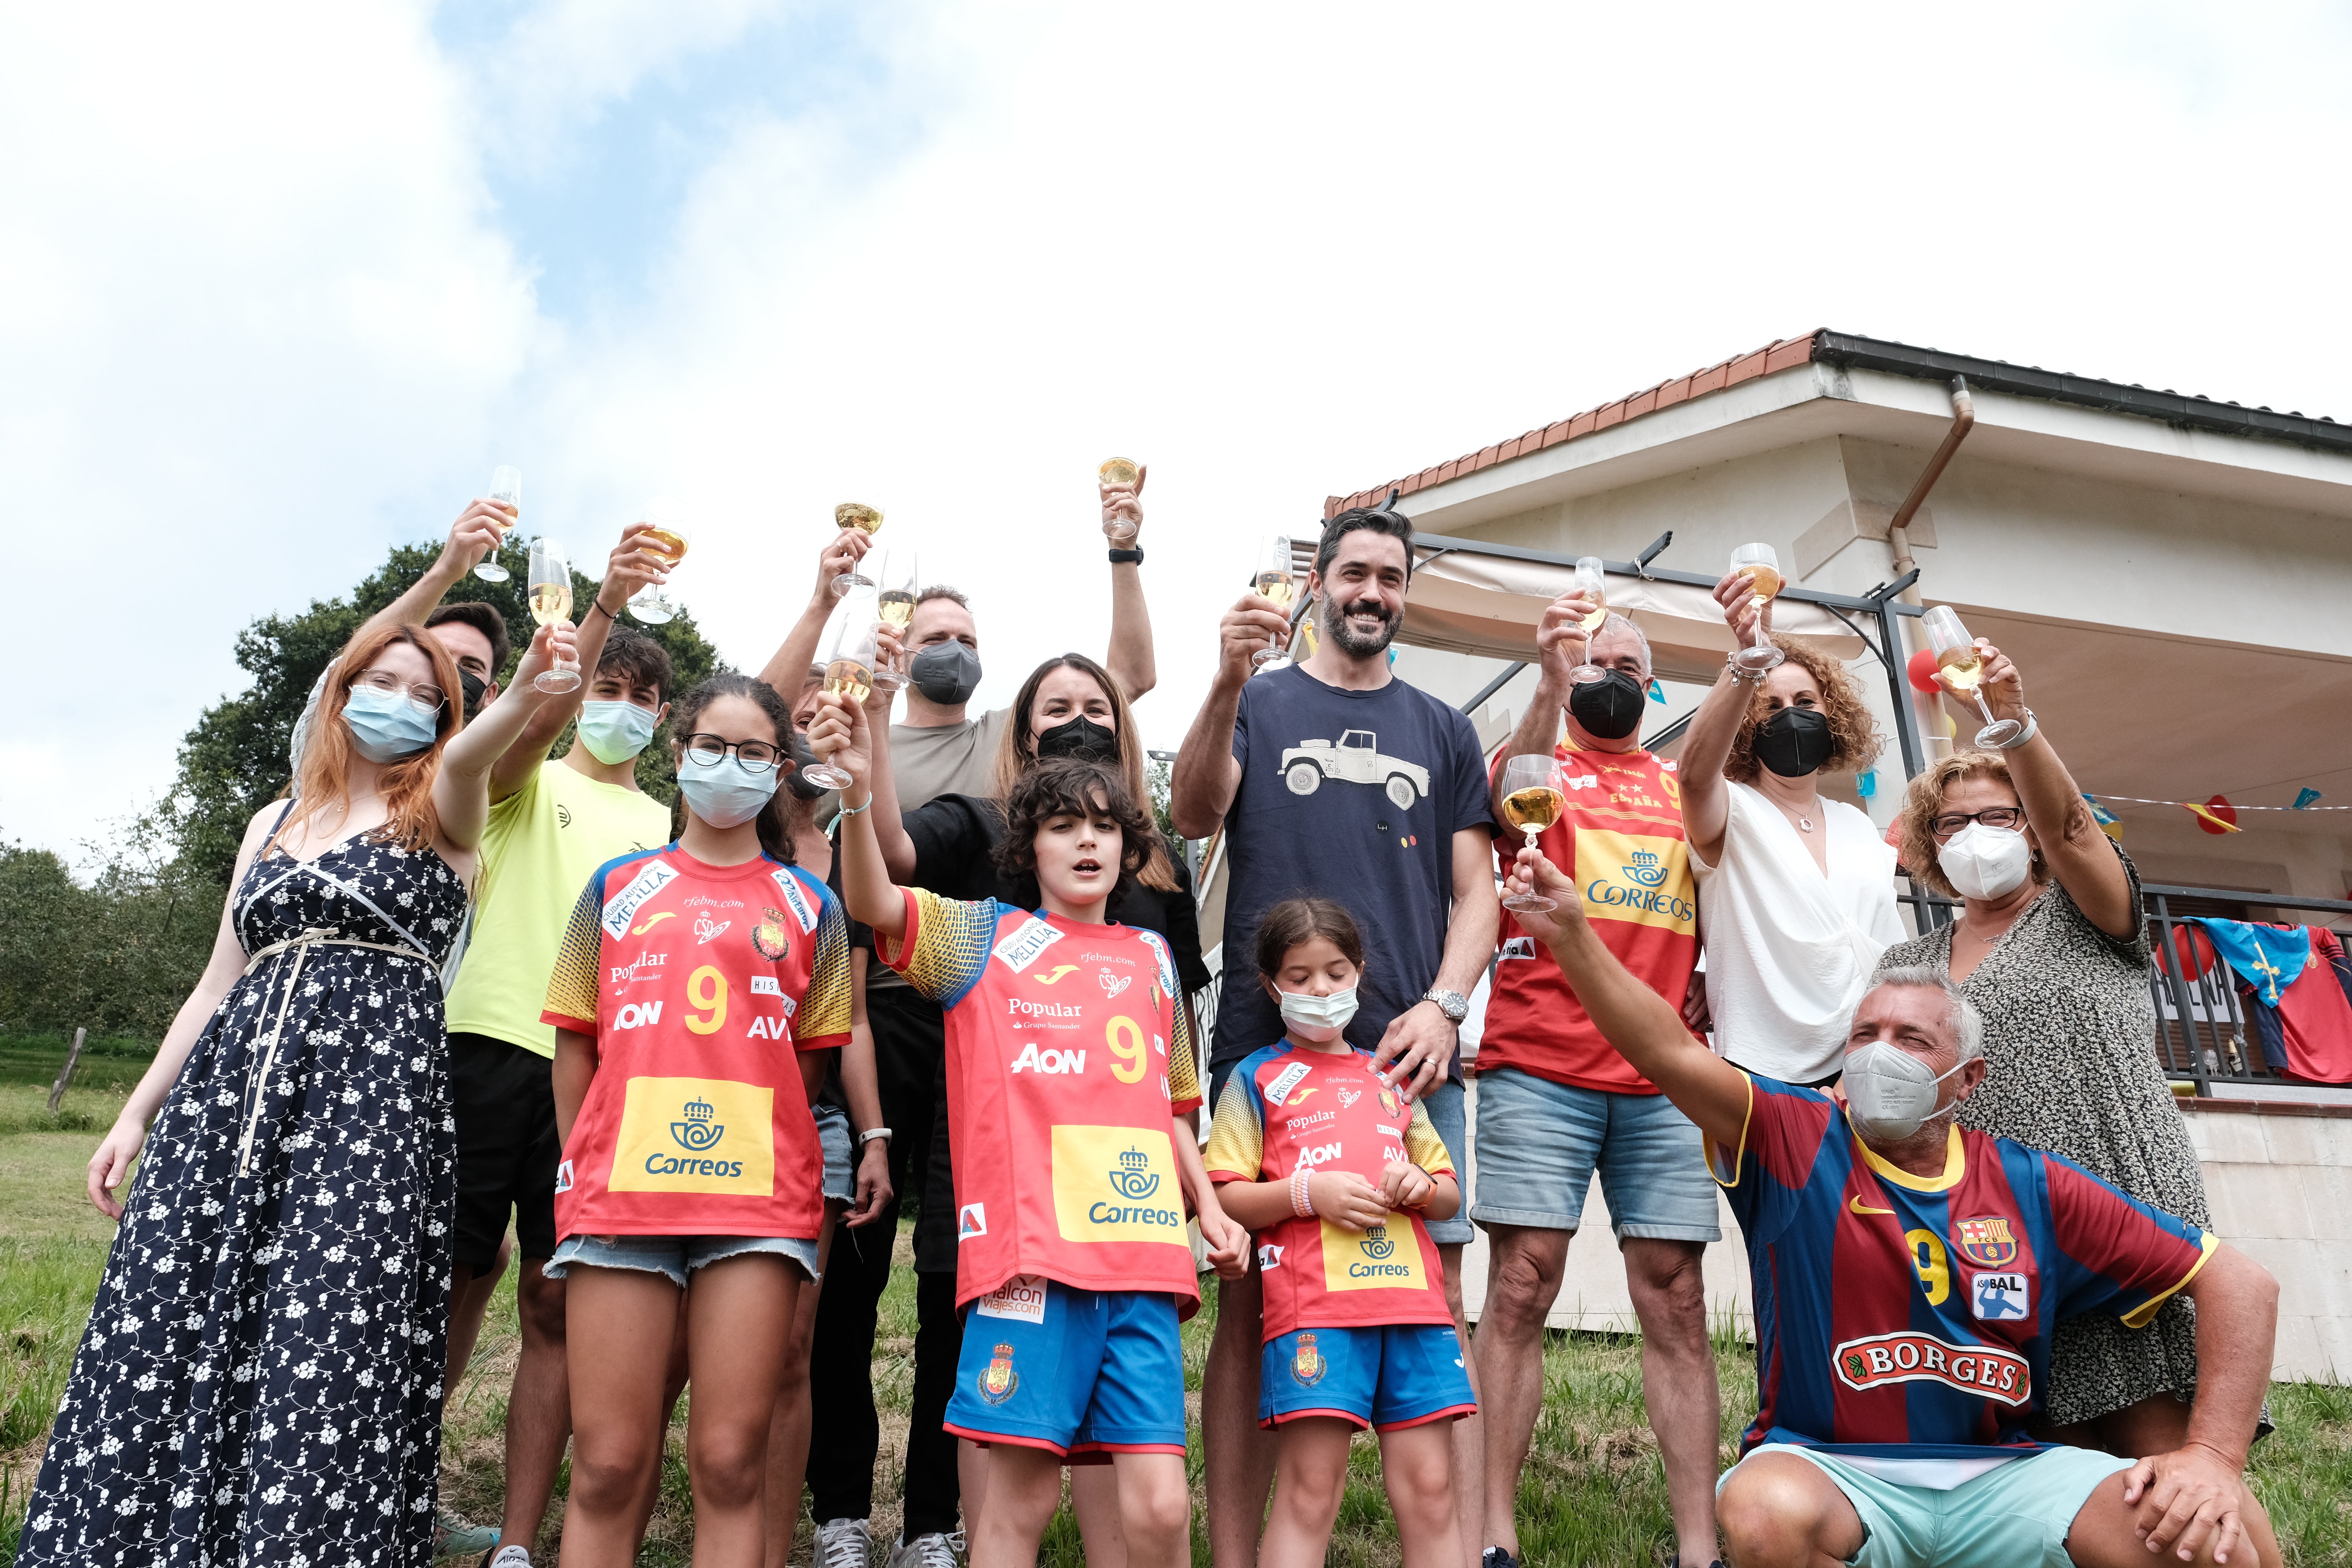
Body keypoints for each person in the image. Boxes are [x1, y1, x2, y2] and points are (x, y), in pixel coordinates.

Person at [1500, 842, 2282, 1568]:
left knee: (2217, 1536)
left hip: (2005, 1477)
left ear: (1967, 1079)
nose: (1881, 1053)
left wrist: (2212, 1459)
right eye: (1865, 1034)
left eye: (1912, 1040)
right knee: (1761, 1511)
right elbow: (1664, 1048)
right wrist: (1572, 934)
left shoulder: (2033, 1183)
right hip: (1835, 1472)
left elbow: (2243, 1284)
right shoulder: (1794, 1135)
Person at [21, 616, 579, 1566]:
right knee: (178, 1312)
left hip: (368, 1111)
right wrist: (134, 1110)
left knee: (326, 1333)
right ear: (340, 688)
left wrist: (529, 684)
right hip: (227, 1102)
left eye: (426, 695)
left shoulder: (446, 800)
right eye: (384, 681)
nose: (401, 704)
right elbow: (214, 984)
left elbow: (491, 739)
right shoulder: (271, 821)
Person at [766, 476, 1163, 1568]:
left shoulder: (1026, 754)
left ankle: (939, 1518)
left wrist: (1126, 555)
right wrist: (866, 744)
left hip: (1017, 1040)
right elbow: (884, 876)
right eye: (931, 632)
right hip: (897, 1000)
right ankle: (845, 1506)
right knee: (858, 1270)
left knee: (962, 1278)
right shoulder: (965, 801)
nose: (947, 647)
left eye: (965, 634)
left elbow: (1122, 684)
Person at [821, 688, 1248, 1568]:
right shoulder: (981, 939)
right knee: (1017, 1508)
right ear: (1030, 848)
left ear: (1131, 850)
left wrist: (1208, 1205)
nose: (1086, 840)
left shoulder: (1152, 958)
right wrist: (860, 799)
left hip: (1141, 1261)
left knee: (1164, 1512)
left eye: (1104, 828)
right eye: (1062, 826)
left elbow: (1169, 1108)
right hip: (1029, 1262)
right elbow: (873, 895)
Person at [1170, 497, 1498, 1568]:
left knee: (1431, 1283)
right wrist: (1223, 681)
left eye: (1390, 579)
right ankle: (1237, 1552)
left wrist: (1444, 1005)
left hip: (1405, 1052)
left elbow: (1479, 889)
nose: (1372, 594)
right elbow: (1192, 811)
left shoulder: (1444, 729)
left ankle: (1434, 1533)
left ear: (1406, 594)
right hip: (1266, 1048)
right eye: (1354, 573)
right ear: (1319, 584)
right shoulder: (1260, 702)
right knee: (1249, 1298)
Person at [539, 672, 854, 1566]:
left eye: (755, 752)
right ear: (679, 756)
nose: (731, 765)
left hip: (755, 1204)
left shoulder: (812, 906)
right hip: (619, 1200)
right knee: (605, 1463)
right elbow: (576, 1044)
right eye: (712, 746)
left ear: (781, 768)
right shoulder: (616, 887)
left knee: (727, 1461)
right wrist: (583, 1160)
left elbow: (810, 1059)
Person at [1876, 637, 2219, 1458]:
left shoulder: (2087, 914)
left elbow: (2073, 832)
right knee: (2063, 1481)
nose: (1976, 833)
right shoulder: (1906, 963)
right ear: (1930, 843)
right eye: (1953, 822)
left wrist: (2013, 722)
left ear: (2029, 832)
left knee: (2168, 1468)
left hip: (2120, 1203)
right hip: (1996, 1239)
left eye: (1999, 816)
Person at [431, 524, 677, 1568]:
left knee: (551, 1299)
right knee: (438, 1274)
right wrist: (604, 608)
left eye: (638, 698)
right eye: (602, 690)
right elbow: (530, 728)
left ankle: (520, 1542)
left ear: (661, 720)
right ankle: (390, 1484)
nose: (617, 709)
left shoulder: (669, 823)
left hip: (601, 1076)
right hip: (487, 1042)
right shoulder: (523, 778)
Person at [1470, 592, 1722, 1568]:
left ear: (1653, 684)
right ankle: (1494, 1534)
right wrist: (1548, 673)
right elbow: (1505, 796)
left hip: (1663, 1077)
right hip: (1540, 1066)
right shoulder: (1542, 766)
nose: (1607, 679)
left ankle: (1699, 1548)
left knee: (1677, 1296)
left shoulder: (1676, 785)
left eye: (1627, 668)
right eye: (1593, 664)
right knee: (1524, 1284)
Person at [1205, 897, 1473, 1568]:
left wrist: (1421, 1187)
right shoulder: (1255, 1079)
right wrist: (1307, 1194)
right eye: (1298, 977)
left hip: (1414, 1311)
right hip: (1315, 1316)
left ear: (1359, 973)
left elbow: (1447, 1194)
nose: (1319, 990)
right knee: (1311, 1491)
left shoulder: (1390, 1080)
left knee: (1432, 1490)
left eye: (1334, 973)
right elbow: (1224, 1196)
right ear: (1271, 986)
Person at [764, 671, 900, 1568]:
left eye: (835, 714)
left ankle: (781, 1533)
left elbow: (848, 1015)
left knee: (797, 1341)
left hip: (816, 1127)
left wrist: (875, 1134)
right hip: (696, 1116)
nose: (821, 724)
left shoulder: (847, 852)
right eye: (803, 712)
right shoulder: (719, 831)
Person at [1678, 575, 1904, 1087]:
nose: (1792, 715)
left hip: (1872, 1069)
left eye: (1806, 702)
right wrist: (1748, 658)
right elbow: (1693, 775)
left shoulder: (1857, 826)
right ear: (1746, 725)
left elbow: (1890, 948)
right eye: (1772, 707)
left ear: (1834, 716)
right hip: (1763, 1072)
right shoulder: (1731, 811)